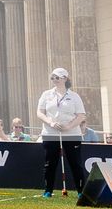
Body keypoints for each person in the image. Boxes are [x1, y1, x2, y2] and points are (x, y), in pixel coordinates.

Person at [36, 67, 88, 197]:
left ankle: (81, 191)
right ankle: (48, 191)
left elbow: (81, 115)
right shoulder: (46, 94)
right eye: (52, 77)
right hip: (50, 133)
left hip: (72, 134)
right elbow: (39, 112)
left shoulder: (74, 96)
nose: (54, 80)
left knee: (75, 163)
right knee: (50, 164)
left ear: (65, 78)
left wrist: (69, 126)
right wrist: (51, 122)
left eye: (57, 77)